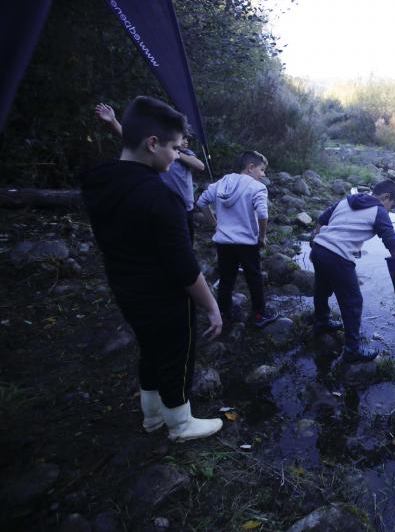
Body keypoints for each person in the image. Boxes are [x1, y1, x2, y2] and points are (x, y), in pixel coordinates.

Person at [80, 96, 223, 442]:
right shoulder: (161, 198)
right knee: (177, 355)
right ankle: (180, 424)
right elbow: (185, 269)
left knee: (149, 348)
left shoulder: (99, 180)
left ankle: (152, 416)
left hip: (126, 288)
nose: (177, 156)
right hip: (164, 298)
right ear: (153, 143)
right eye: (175, 148)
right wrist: (212, 306)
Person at [311, 180, 395, 363]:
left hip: (319, 249)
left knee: (321, 288)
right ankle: (352, 349)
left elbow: (321, 220)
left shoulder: (347, 200)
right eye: (391, 207)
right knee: (353, 301)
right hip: (338, 256)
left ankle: (321, 321)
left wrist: (316, 239)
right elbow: (391, 242)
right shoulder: (379, 211)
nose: (388, 212)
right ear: (386, 197)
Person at [95, 103, 205, 240]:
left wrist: (176, 152)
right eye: (183, 138)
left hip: (187, 209)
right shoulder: (159, 153)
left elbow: (200, 166)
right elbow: (132, 140)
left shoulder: (187, 154)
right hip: (165, 208)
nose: (186, 142)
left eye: (188, 139)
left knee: (187, 242)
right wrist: (113, 121)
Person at [196, 151, 277, 328]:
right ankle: (259, 315)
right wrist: (261, 237)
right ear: (250, 168)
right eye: (262, 170)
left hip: (223, 242)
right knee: (254, 277)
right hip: (247, 243)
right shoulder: (257, 187)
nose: (263, 174)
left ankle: (224, 313)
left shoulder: (222, 182)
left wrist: (215, 224)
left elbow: (201, 202)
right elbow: (263, 214)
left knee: (226, 278)